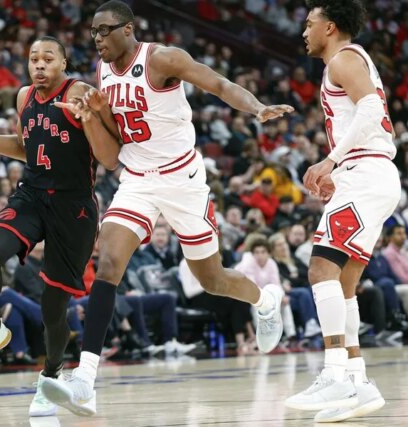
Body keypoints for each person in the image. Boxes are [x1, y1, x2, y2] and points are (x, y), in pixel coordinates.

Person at [41, 1, 293, 416]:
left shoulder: (162, 58)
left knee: (211, 279)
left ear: (128, 29)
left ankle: (264, 301)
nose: (97, 39)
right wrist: (95, 117)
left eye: (105, 30)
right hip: (138, 179)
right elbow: (115, 146)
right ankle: (85, 380)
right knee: (108, 265)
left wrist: (256, 108)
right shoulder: (103, 72)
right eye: (93, 32)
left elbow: (219, 84)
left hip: (183, 181)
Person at [0, 35, 120, 417]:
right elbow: (23, 147)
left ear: (64, 63)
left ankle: (50, 377)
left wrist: (89, 119)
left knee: (54, 307)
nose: (39, 65)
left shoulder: (80, 93)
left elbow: (109, 156)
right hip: (32, 194)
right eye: (33, 58)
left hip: (74, 207)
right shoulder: (24, 97)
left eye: (48, 58)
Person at [284, 1, 400, 422]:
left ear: (330, 27)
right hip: (368, 175)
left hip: (365, 175)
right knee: (344, 283)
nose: (304, 32)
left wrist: (332, 160)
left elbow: (372, 110)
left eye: (310, 23)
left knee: (320, 270)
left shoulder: (343, 59)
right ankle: (357, 380)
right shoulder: (349, 60)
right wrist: (341, 167)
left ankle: (334, 373)